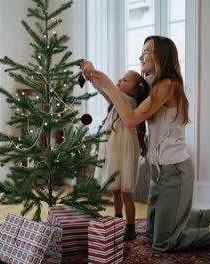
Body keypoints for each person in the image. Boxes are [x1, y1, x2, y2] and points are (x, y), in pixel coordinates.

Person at [81, 35, 210, 251]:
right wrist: (96, 80)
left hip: (174, 171)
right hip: (158, 171)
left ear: (161, 56)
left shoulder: (167, 86)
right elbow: (120, 105)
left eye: (146, 52)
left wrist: (108, 84)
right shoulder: (153, 85)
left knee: (164, 242)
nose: (140, 56)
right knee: (154, 232)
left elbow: (131, 119)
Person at [84, 65, 150, 241]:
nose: (120, 81)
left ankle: (130, 227)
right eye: (121, 78)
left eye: (126, 80)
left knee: (125, 193)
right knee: (115, 189)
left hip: (123, 151)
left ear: (136, 91)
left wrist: (98, 76)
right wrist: (91, 78)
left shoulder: (129, 102)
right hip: (113, 149)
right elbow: (105, 91)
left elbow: (110, 89)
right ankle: (118, 218)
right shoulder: (117, 100)